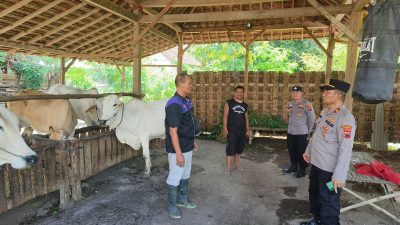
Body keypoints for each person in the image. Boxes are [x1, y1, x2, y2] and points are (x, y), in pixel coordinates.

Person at [301, 79, 357, 225]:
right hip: (317, 165)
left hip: (330, 172)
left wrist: (339, 175)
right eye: (324, 91)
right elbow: (317, 134)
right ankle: (317, 220)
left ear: (339, 95)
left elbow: (346, 149)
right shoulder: (327, 112)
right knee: (314, 195)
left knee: (329, 202)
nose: (323, 95)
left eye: (328, 92)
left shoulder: (346, 119)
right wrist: (308, 150)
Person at [165, 72, 198, 219]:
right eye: (189, 83)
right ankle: (172, 206)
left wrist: (192, 141)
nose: (191, 85)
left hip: (187, 145)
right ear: (180, 84)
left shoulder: (186, 101)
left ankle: (182, 200)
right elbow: (173, 131)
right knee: (175, 176)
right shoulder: (174, 104)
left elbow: (187, 124)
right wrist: (178, 153)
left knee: (185, 175)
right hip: (177, 149)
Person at [285, 86, 316, 178]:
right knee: (292, 150)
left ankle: (302, 169)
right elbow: (290, 116)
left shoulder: (307, 104)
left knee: (302, 151)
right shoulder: (290, 103)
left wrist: (309, 131)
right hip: (290, 131)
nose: (295, 94)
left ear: (302, 93)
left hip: (301, 132)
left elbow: (312, 118)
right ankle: (293, 166)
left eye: (297, 92)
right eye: (293, 92)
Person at [223, 85, 249, 175]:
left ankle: (236, 165)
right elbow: (225, 116)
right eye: (238, 92)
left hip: (241, 131)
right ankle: (228, 167)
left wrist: (248, 130)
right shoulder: (229, 103)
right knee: (230, 149)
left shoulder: (245, 105)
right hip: (231, 131)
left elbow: (246, 118)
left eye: (241, 92)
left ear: (243, 93)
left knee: (239, 150)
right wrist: (225, 128)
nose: (239, 93)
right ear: (235, 93)